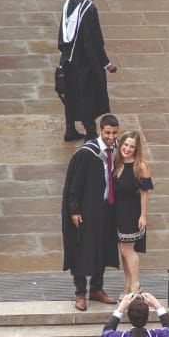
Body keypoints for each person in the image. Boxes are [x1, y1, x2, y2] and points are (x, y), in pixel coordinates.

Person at [61, 113, 121, 311]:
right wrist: (74, 210)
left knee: (102, 247)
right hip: (86, 209)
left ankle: (96, 289)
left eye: (114, 133)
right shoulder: (86, 153)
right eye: (108, 133)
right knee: (82, 249)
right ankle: (80, 293)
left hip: (106, 207)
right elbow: (74, 185)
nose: (111, 137)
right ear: (100, 130)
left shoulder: (116, 150)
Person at [58, 0, 117, 142]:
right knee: (87, 95)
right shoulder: (89, 9)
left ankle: (70, 129)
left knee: (70, 93)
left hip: (67, 58)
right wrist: (106, 63)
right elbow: (94, 40)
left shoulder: (70, 1)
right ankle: (90, 132)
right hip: (83, 62)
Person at [113, 131, 153, 297]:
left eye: (132, 146)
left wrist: (143, 215)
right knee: (123, 251)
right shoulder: (117, 163)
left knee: (128, 250)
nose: (127, 149)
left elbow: (144, 193)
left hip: (131, 213)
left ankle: (136, 285)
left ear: (137, 149)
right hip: (117, 213)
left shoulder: (141, 167)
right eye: (125, 145)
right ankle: (128, 283)